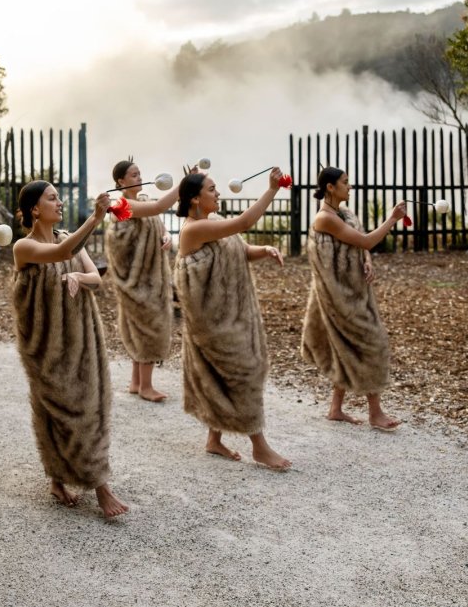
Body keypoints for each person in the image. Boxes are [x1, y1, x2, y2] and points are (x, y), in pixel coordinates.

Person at [12, 182, 128, 518]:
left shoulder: (66, 237)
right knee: (53, 404)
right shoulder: (24, 247)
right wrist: (95, 218)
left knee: (87, 404)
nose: (59, 202)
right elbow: (60, 255)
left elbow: (96, 278)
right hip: (45, 341)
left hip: (80, 336)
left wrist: (80, 275)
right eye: (52, 198)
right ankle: (57, 476)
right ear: (34, 209)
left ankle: (99, 483)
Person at [174, 167, 291, 470]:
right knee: (243, 372)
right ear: (194, 199)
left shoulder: (211, 224)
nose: (218, 193)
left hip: (230, 315)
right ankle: (260, 446)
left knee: (220, 377)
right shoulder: (192, 230)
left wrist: (263, 249)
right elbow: (245, 222)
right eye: (211, 189)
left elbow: (239, 248)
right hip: (212, 321)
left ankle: (214, 439)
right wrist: (272, 189)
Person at [300, 167, 406, 431]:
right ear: (330, 188)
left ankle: (335, 409)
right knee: (371, 342)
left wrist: (366, 260)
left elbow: (360, 245)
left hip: (354, 289)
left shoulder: (344, 214)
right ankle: (375, 413)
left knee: (343, 346)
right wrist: (392, 218)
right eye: (345, 183)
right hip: (338, 294)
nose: (350, 187)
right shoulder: (325, 218)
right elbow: (367, 240)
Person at [104, 158, 179, 402]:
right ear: (121, 181)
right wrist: (184, 185)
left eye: (139, 173)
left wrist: (166, 236)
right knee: (147, 327)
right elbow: (158, 209)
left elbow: (157, 223)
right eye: (133, 174)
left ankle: (137, 382)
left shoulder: (142, 202)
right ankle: (147, 386)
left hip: (150, 275)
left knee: (141, 326)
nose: (138, 177)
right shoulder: (122, 205)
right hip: (138, 280)